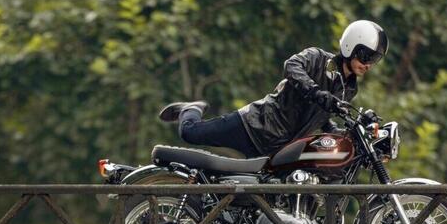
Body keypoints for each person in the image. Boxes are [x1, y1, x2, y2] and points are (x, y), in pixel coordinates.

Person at [159, 20, 388, 158]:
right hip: (255, 126)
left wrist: (350, 132)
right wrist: (316, 92)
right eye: (366, 56)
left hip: (279, 150)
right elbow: (291, 66)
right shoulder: (317, 58)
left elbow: (322, 121)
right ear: (350, 46)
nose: (368, 64)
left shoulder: (349, 89)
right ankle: (190, 109)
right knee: (190, 133)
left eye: (374, 59)